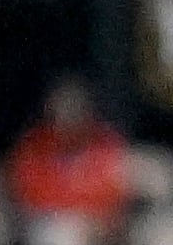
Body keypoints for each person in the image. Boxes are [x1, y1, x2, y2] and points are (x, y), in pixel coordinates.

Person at [7, 78, 133, 227]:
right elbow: (26, 195)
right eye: (63, 108)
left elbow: (115, 194)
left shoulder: (106, 143)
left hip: (97, 227)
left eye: (75, 108)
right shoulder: (33, 146)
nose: (69, 114)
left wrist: (90, 220)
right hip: (47, 224)